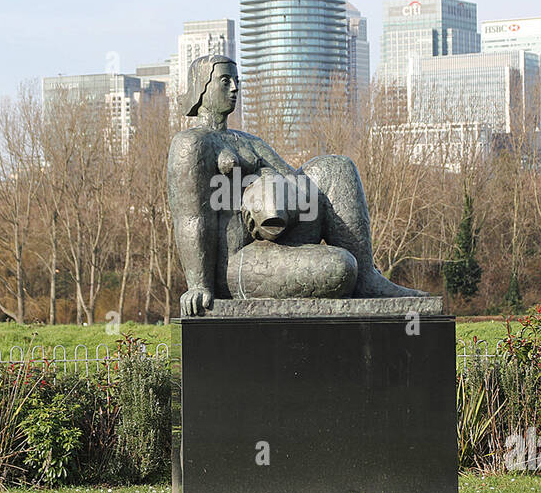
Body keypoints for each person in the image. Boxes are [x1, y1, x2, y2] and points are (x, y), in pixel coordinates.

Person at [167, 55, 425, 316]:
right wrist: (199, 285)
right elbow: (192, 218)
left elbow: (295, 181)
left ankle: (367, 277)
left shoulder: (248, 140)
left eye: (236, 81)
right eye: (225, 81)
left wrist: (268, 182)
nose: (234, 88)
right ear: (202, 87)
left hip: (280, 237)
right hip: (238, 263)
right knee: (340, 267)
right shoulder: (191, 143)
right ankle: (357, 274)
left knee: (336, 166)